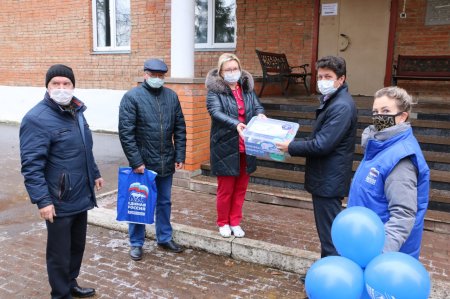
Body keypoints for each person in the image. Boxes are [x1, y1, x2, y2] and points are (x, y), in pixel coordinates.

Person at [20, 64, 103, 299]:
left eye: (66, 83)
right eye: (55, 83)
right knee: (59, 253)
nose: (61, 88)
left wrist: (95, 172)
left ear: (73, 85)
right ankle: (60, 294)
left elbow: (84, 147)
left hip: (81, 193)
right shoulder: (36, 119)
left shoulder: (77, 110)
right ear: (47, 86)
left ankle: (70, 282)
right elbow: (31, 166)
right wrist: (43, 201)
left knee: (76, 247)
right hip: (58, 199)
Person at [277, 56, 357, 258]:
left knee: (330, 235)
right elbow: (320, 137)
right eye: (320, 76)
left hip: (329, 178)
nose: (323, 81)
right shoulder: (333, 101)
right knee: (328, 232)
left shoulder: (341, 106)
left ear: (341, 79)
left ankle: (333, 277)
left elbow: (323, 144)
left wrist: (291, 146)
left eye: (328, 76)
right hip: (326, 176)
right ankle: (328, 271)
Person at [347, 86, 429, 259]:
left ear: (402, 117)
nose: (379, 117)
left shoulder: (401, 158)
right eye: (375, 111)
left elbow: (403, 215)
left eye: (385, 111)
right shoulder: (379, 145)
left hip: (381, 255)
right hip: (364, 243)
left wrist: (379, 253)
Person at [118, 58, 186, 260]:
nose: (157, 79)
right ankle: (136, 243)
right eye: (153, 75)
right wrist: (136, 161)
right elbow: (126, 133)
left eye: (161, 76)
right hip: (143, 164)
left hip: (166, 161)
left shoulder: (172, 97)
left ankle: (164, 237)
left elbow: (180, 128)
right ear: (145, 75)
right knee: (139, 203)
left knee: (164, 202)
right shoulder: (132, 97)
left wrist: (180, 154)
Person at [206, 53, 265, 238]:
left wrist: (261, 114)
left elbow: (257, 107)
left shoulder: (246, 89)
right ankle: (223, 222)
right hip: (225, 146)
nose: (233, 72)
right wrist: (235, 124)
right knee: (226, 190)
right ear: (221, 73)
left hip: (246, 146)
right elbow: (215, 112)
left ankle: (235, 221)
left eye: (235, 68)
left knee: (241, 188)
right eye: (228, 69)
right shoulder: (215, 91)